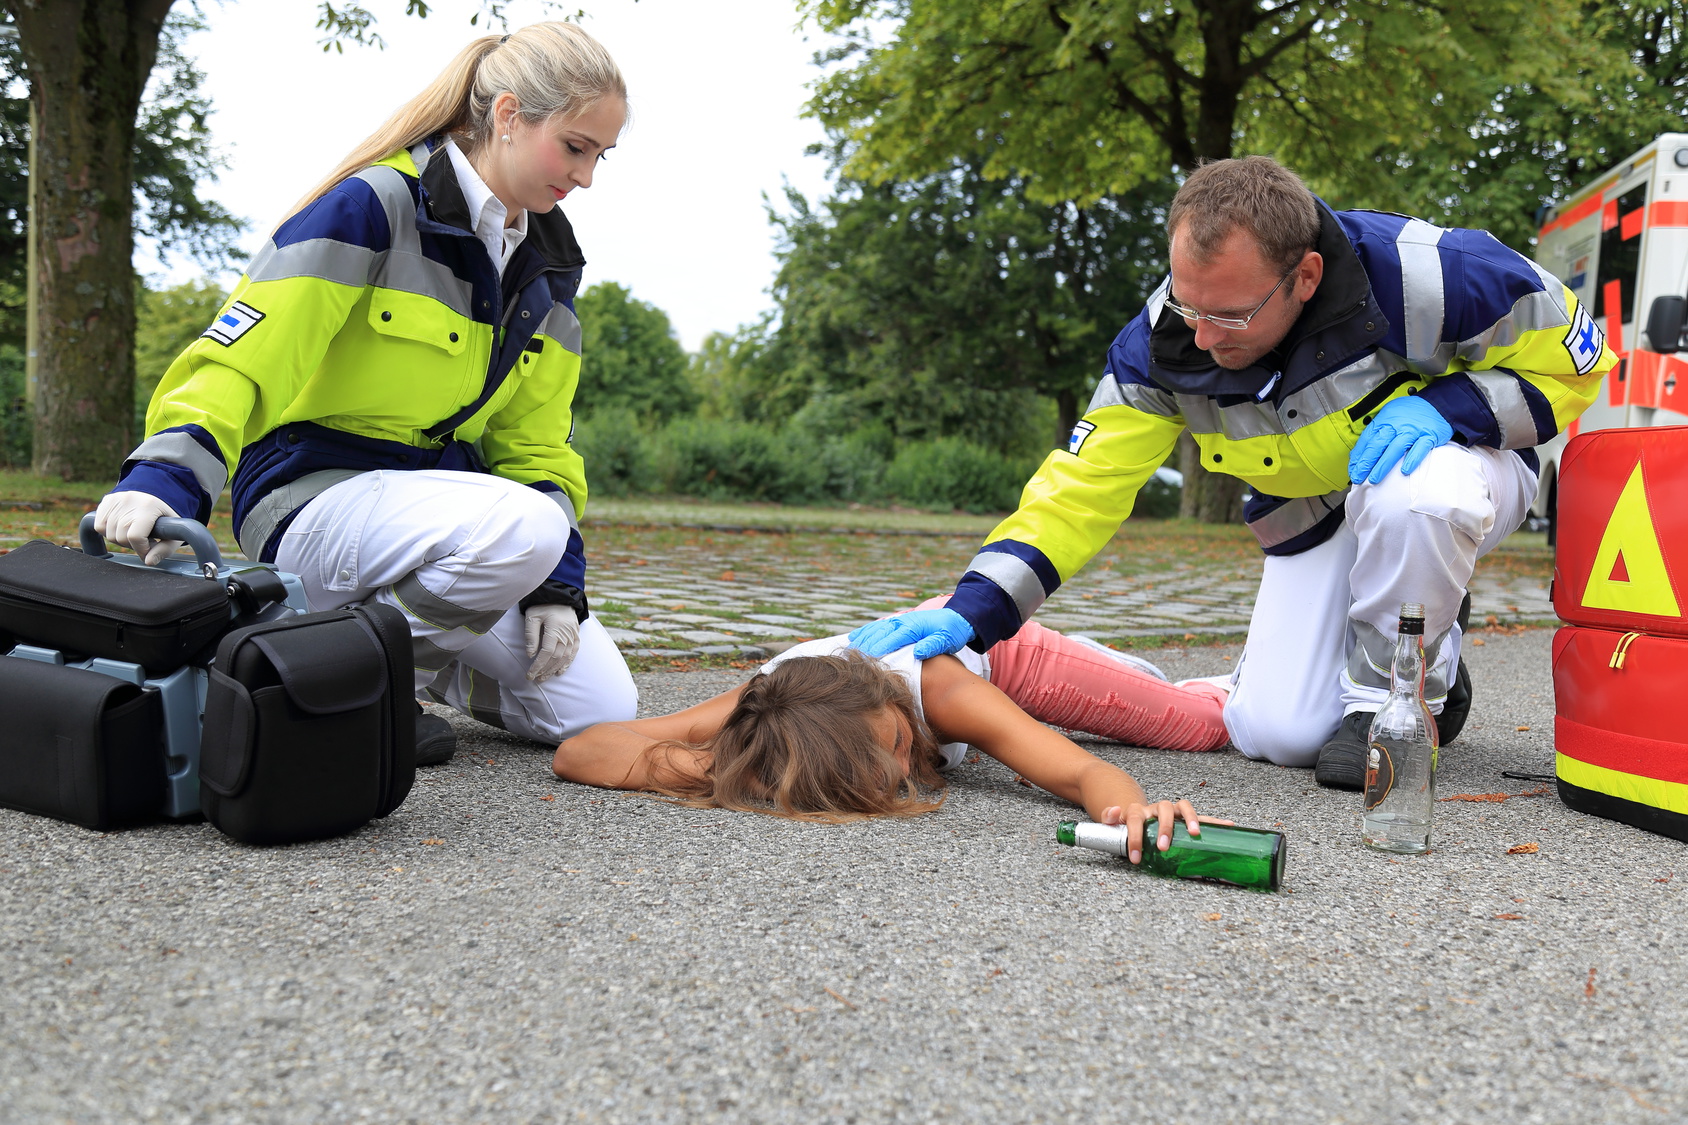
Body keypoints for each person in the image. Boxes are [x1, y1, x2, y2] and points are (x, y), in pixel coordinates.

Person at [851, 156, 1616, 791]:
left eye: (1234, 316)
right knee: (1275, 732)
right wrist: (979, 608)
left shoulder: (1438, 275)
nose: (1206, 337)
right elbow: (1078, 491)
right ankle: (1433, 636)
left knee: (1420, 497)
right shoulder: (1157, 344)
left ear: (1306, 276)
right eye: (1191, 306)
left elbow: (1582, 367)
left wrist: (1451, 407)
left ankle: (1394, 693)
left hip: (1459, 466)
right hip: (1313, 506)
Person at [94, 23, 639, 764]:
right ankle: (363, 682)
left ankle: (359, 649)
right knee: (524, 528)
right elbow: (247, 353)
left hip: (440, 521)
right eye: (576, 147)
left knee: (597, 707)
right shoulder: (374, 205)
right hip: (311, 496)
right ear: (509, 115)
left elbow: (535, 443)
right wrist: (164, 479)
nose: (587, 178)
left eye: (601, 156)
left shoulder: (548, 269)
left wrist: (556, 586)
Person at [552, 606, 1231, 859]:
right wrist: (753, 767)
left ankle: (1226, 681)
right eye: (894, 772)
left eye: (901, 743)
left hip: (1005, 653)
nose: (912, 765)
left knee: (1202, 725)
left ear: (883, 697)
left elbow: (1079, 772)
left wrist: (1128, 810)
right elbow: (583, 748)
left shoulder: (936, 692)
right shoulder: (769, 714)